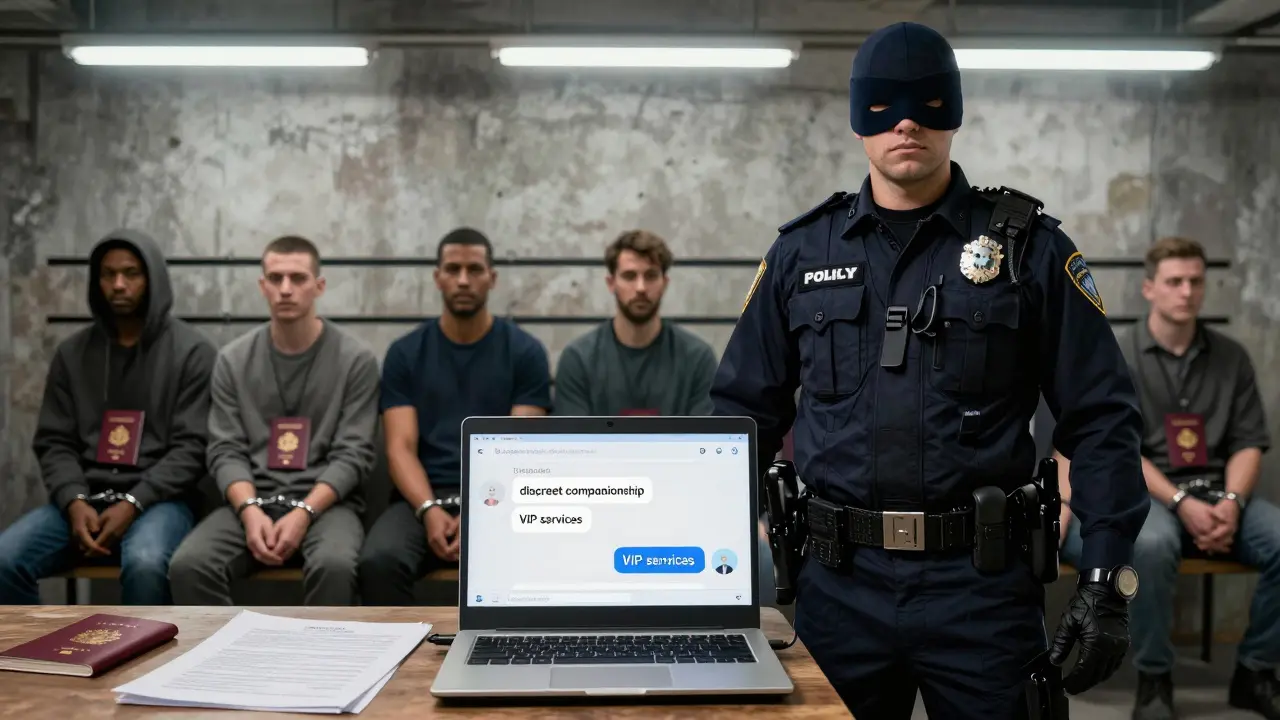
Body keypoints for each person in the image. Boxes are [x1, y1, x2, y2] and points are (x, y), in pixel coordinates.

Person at [709, 21, 1150, 719]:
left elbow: (1101, 417)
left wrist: (1106, 577)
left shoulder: (1030, 251)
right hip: (837, 585)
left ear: (955, 113)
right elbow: (739, 417)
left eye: (927, 102)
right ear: (859, 119)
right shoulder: (801, 253)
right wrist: (695, 563)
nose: (907, 122)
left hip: (980, 592)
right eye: (885, 104)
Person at [1057, 236, 1280, 720]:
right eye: (1174, 281)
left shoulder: (1232, 358)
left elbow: (1248, 442)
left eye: (1195, 281)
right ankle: (1155, 678)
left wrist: (1234, 503)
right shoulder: (1118, 354)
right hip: (1146, 494)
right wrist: (1180, 501)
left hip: (1219, 492)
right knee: (1152, 545)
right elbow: (1116, 447)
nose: (1187, 291)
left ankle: (1256, 670)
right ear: (1149, 289)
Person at [0, 231, 216, 606]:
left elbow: (193, 448)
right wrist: (74, 500)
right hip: (82, 500)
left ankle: (147, 665)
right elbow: (55, 442)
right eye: (108, 274)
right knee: (5, 560)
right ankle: (40, 661)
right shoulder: (72, 354)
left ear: (153, 279)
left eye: (131, 273)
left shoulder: (193, 353)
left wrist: (134, 501)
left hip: (161, 501)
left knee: (146, 564)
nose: (118, 284)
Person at [168, 235, 380, 606]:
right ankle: (227, 662)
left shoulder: (355, 360)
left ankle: (325, 665)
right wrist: (249, 511)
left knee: (335, 566)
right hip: (251, 500)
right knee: (190, 565)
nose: (286, 289)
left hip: (328, 506)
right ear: (262, 286)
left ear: (319, 286)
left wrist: (304, 513)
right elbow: (224, 449)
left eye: (297, 278)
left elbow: (354, 454)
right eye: (276, 278)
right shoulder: (232, 360)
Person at [357, 228, 552, 605]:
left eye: (475, 269)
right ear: (438, 277)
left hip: (505, 497)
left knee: (531, 561)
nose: (464, 280)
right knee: (379, 561)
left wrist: (482, 512)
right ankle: (401, 661)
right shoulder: (405, 353)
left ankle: (507, 659)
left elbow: (520, 450)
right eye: (453, 269)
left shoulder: (525, 352)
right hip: (420, 499)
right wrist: (428, 509)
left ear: (492, 278)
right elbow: (400, 449)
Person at [552, 229, 718, 417]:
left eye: (651, 276)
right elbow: (577, 443)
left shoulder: (697, 359)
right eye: (629, 276)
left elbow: (705, 442)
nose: (641, 288)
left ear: (664, 283)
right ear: (611, 283)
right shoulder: (579, 359)